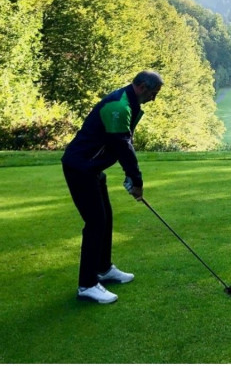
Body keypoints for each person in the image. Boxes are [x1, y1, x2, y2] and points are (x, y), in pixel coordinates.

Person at [61, 70, 163, 304]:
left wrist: (131, 177)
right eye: (153, 93)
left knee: (105, 218)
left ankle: (103, 269)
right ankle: (87, 285)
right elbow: (122, 146)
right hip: (80, 169)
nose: (154, 99)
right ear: (141, 87)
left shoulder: (127, 102)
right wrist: (136, 180)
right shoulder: (118, 107)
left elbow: (116, 145)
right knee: (95, 223)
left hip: (92, 169)